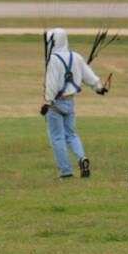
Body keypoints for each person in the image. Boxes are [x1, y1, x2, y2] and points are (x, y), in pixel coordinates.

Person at [40, 28, 107, 179]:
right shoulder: (76, 57)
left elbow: (51, 84)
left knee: (57, 138)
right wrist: (99, 88)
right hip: (70, 102)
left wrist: (47, 103)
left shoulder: (53, 60)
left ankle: (66, 172)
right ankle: (82, 158)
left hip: (56, 104)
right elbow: (89, 75)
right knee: (71, 134)